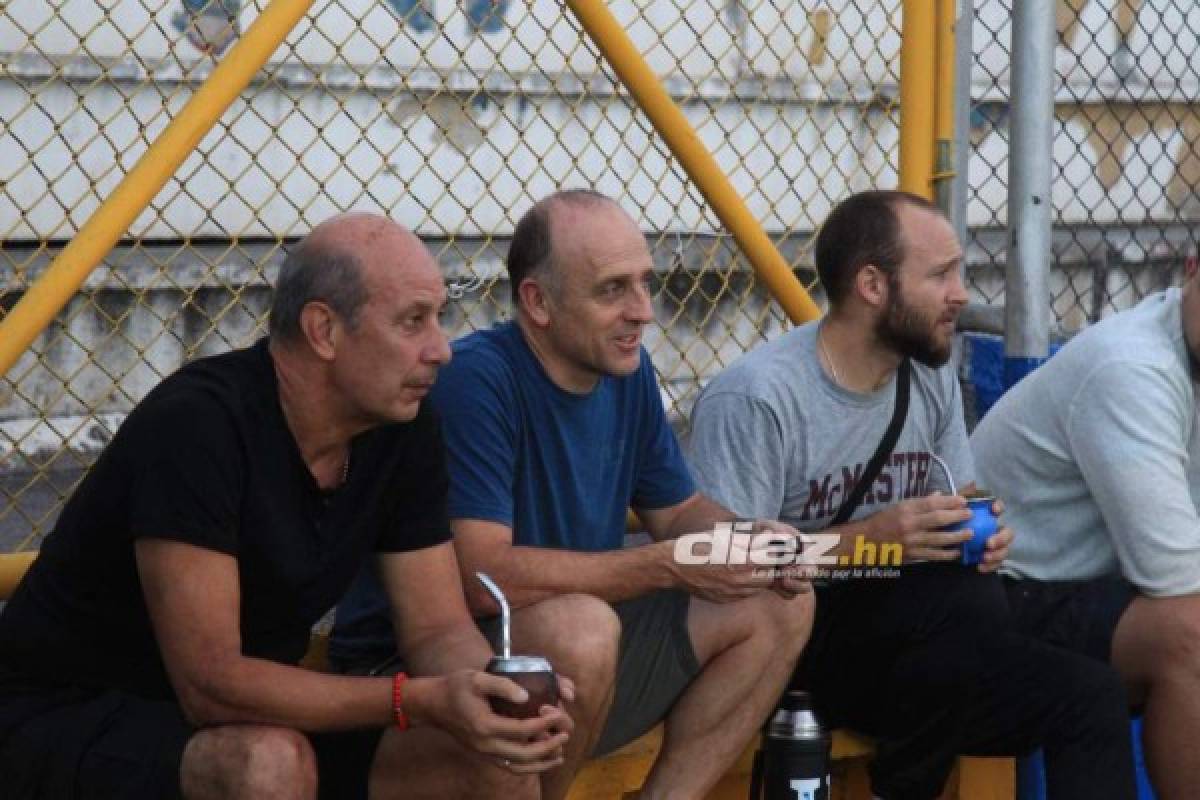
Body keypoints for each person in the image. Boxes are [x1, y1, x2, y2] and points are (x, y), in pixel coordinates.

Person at [0, 213, 590, 800]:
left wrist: (495, 694)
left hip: (250, 718)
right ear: (323, 330)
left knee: (493, 755)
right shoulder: (198, 425)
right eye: (413, 321)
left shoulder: (400, 425)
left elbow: (436, 628)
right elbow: (210, 683)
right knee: (268, 764)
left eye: (439, 318)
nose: (441, 350)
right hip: (68, 718)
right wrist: (416, 700)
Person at [332, 189, 813, 798]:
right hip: (432, 677)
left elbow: (680, 511)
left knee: (778, 599)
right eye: (612, 290)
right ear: (538, 301)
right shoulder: (478, 380)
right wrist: (664, 567)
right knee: (578, 629)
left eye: (644, 283)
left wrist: (744, 540)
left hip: (583, 664)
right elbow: (481, 578)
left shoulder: (627, 368)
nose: (642, 311)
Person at [686, 189, 1138, 800]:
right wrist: (870, 543)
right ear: (873, 284)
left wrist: (979, 534)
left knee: (1090, 696)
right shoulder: (759, 397)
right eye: (941, 274)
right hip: (791, 644)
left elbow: (960, 500)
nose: (962, 293)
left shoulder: (928, 374)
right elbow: (723, 567)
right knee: (965, 606)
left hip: (918, 657)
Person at [971, 256, 1200, 800]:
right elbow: (1174, 574)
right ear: (1192, 269)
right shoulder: (1131, 367)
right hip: (1000, 592)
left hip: (1098, 590)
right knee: (1193, 636)